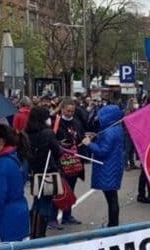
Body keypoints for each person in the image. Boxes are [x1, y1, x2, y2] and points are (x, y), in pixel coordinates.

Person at [81, 104, 124, 227]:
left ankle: (113, 225)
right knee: (112, 197)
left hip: (107, 167)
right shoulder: (116, 128)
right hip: (113, 166)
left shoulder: (109, 132)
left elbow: (102, 151)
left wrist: (89, 144)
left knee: (111, 198)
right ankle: (113, 224)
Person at [25, 106, 63, 238]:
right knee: (46, 203)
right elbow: (58, 152)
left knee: (37, 201)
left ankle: (33, 231)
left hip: (35, 171)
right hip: (48, 171)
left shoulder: (27, 134)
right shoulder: (48, 133)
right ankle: (40, 233)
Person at [53, 98, 86, 226]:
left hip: (74, 161)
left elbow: (80, 136)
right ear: (62, 109)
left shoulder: (76, 122)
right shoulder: (56, 122)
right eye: (67, 111)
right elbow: (50, 138)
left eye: (72, 111)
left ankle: (67, 216)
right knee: (59, 191)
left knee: (71, 190)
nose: (70, 113)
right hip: (60, 161)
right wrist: (58, 144)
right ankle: (53, 218)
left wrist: (84, 140)